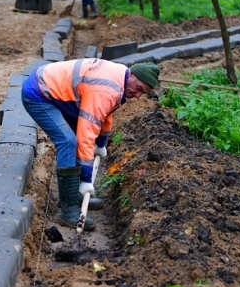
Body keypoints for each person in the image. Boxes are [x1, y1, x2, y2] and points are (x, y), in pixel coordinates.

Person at [21, 59, 160, 231]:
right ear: (132, 74)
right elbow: (87, 132)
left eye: (143, 93)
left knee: (76, 141)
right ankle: (68, 210)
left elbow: (105, 114)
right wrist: (87, 179)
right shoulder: (107, 88)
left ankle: (75, 195)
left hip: (65, 97)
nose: (138, 95)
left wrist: (101, 143)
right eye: (139, 88)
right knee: (68, 141)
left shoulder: (120, 79)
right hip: (39, 93)